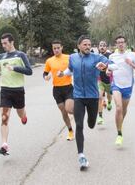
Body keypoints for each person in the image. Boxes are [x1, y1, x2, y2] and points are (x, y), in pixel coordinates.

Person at [58, 35, 111, 171]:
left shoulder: (96, 58)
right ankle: (81, 155)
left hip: (93, 97)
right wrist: (63, 74)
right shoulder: (73, 58)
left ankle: (93, 120)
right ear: (79, 46)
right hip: (79, 97)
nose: (88, 47)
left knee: (91, 124)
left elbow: (108, 62)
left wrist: (105, 65)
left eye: (89, 45)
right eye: (85, 44)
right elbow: (70, 69)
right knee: (79, 125)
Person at [0, 33, 33, 156]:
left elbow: (29, 71)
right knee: (4, 117)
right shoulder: (1, 56)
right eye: (2, 44)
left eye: (5, 43)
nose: (4, 46)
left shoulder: (20, 55)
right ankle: (4, 144)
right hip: (5, 91)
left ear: (12, 42)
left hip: (18, 91)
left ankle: (24, 116)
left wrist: (15, 68)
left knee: (20, 113)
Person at [108, 36, 135, 146]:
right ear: (116, 44)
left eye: (122, 42)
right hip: (116, 84)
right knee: (118, 108)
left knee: (123, 109)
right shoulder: (112, 56)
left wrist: (131, 64)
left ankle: (120, 124)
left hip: (128, 86)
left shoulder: (132, 55)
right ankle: (119, 134)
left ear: (126, 43)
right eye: (118, 43)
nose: (121, 44)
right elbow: (108, 70)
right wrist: (107, 72)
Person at [43, 40, 74, 141]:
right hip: (57, 89)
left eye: (58, 48)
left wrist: (66, 74)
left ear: (61, 47)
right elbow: (45, 73)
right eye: (54, 48)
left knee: (69, 109)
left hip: (68, 87)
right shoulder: (49, 61)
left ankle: (79, 113)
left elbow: (74, 70)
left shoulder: (68, 58)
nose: (56, 50)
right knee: (64, 112)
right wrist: (46, 77)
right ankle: (70, 131)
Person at [96, 41, 113, 125]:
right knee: (99, 97)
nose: (102, 47)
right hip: (100, 80)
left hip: (109, 81)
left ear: (106, 47)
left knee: (109, 96)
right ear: (98, 47)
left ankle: (109, 103)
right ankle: (100, 116)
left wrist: (108, 69)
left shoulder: (110, 56)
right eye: (100, 45)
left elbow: (114, 66)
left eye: (104, 45)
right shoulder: (96, 56)